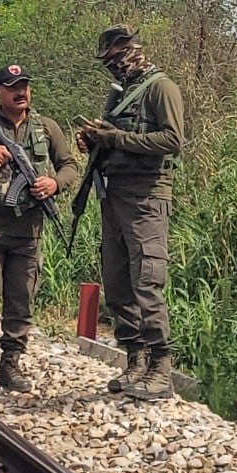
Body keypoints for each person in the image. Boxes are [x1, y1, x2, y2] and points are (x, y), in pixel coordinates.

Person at [0, 64, 78, 391]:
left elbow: (70, 166)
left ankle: (11, 363)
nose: (20, 92)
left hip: (28, 231)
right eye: (12, 87)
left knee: (21, 300)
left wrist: (54, 183)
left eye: (24, 85)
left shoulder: (46, 127)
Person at [76, 24, 184, 400]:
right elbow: (117, 136)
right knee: (118, 281)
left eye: (115, 58)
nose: (112, 67)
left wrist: (115, 138)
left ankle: (161, 369)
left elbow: (173, 140)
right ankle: (135, 358)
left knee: (147, 281)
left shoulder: (160, 87)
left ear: (128, 50)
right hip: (115, 193)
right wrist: (96, 140)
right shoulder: (121, 94)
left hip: (146, 196)